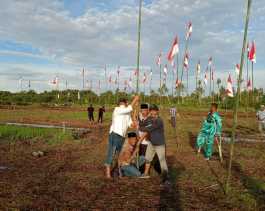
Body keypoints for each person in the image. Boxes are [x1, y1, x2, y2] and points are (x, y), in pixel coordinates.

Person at [104, 95, 139, 178]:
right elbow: (129, 108)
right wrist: (135, 100)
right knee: (112, 153)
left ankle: (118, 171)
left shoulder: (127, 113)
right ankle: (108, 173)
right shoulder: (117, 109)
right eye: (126, 103)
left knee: (119, 155)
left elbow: (131, 125)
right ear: (123, 103)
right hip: (115, 134)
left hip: (122, 136)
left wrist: (134, 115)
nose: (125, 104)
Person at [140, 104, 169, 183]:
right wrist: (138, 122)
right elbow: (143, 124)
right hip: (152, 143)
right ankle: (145, 174)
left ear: (157, 112)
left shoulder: (159, 121)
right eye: (151, 112)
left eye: (154, 112)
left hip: (160, 144)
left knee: (162, 161)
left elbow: (148, 128)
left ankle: (166, 179)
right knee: (147, 159)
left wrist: (139, 127)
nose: (153, 113)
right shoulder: (149, 118)